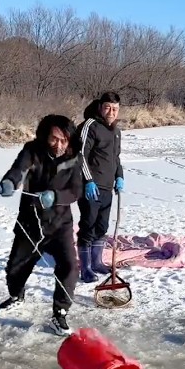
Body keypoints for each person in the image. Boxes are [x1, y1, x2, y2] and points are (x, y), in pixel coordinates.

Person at [0, 114, 85, 336]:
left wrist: (56, 196)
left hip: (60, 224)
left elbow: (75, 191)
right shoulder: (32, 151)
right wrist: (9, 182)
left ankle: (60, 314)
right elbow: (19, 170)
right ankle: (17, 295)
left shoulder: (75, 157)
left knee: (70, 267)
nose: (59, 145)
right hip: (30, 223)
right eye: (54, 139)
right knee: (15, 269)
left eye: (63, 140)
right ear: (45, 136)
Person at [75, 91, 126, 283]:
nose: (111, 112)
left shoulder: (116, 131)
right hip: (90, 187)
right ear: (100, 107)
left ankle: (96, 262)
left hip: (107, 187)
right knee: (88, 226)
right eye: (107, 108)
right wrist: (88, 180)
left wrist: (119, 176)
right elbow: (80, 155)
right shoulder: (90, 126)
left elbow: (116, 158)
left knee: (102, 226)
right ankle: (85, 268)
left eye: (115, 109)